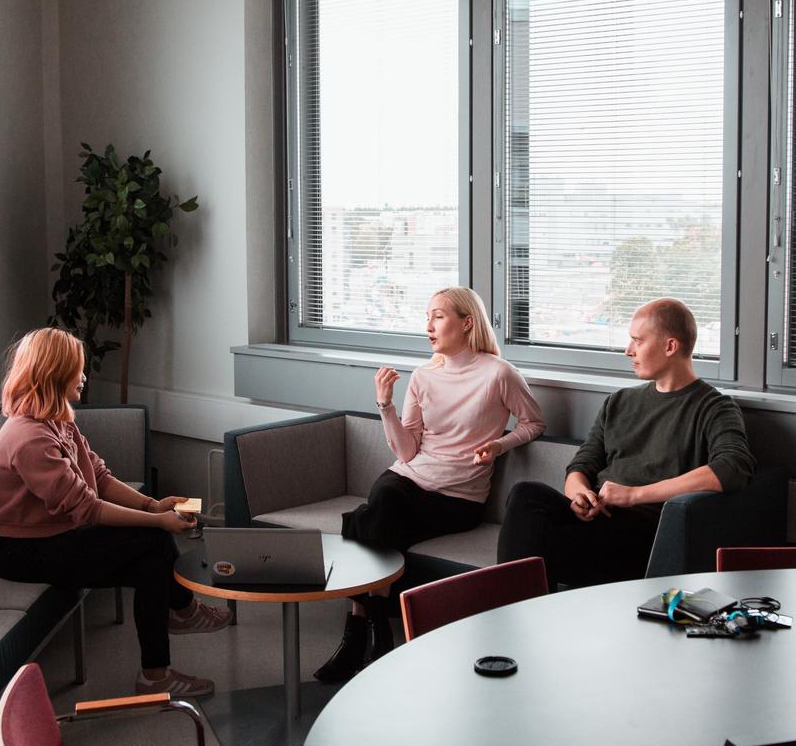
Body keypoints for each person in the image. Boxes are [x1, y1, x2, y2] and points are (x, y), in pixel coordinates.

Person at [0, 328, 230, 698]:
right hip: (24, 552)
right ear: (54, 374)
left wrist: (152, 505)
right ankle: (183, 610)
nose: (84, 376)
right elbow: (87, 508)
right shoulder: (29, 438)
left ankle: (155, 674)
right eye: (76, 370)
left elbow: (97, 476)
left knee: (151, 566)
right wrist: (157, 521)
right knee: (153, 537)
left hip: (52, 537)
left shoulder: (57, 421)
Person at [315, 287, 546, 683]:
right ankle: (374, 630)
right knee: (383, 503)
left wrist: (499, 444)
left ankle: (358, 634)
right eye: (427, 317)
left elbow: (534, 423)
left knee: (364, 521)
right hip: (410, 478)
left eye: (438, 316)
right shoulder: (424, 376)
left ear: (467, 322)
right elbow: (406, 452)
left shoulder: (499, 374)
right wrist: (385, 404)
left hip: (458, 497)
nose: (428, 326)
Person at [497, 298, 755, 588]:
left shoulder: (715, 408)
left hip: (642, 533)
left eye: (637, 341)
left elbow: (732, 468)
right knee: (526, 496)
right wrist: (580, 495)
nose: (628, 350)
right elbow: (581, 464)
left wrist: (633, 495)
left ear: (670, 347)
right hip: (594, 521)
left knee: (533, 555)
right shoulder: (619, 402)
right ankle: (513, 608)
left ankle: (508, 611)